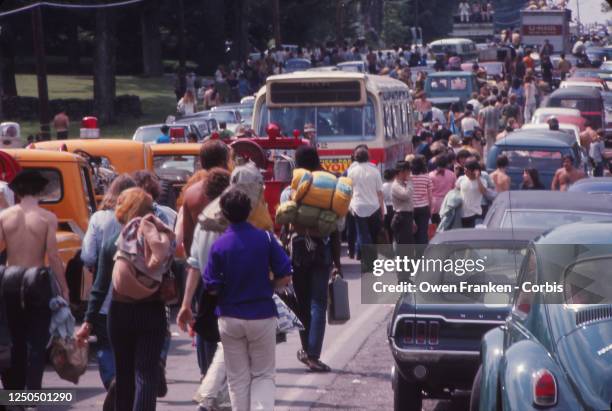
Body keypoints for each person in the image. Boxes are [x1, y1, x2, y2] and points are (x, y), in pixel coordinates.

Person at [203, 188, 291, 410]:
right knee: (263, 375)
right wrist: (269, 285)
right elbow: (286, 276)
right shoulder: (266, 238)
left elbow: (211, 288)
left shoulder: (219, 245)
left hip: (229, 317)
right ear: (250, 210)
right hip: (262, 314)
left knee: (237, 379)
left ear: (223, 213)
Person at [0, 170, 69, 393]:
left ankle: (14, 394)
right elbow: (54, 256)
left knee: (15, 338)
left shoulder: (5, 217)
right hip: (36, 281)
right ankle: (32, 393)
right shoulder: (47, 218)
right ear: (39, 191)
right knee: (37, 341)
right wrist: (64, 288)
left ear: (17, 192)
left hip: (10, 280)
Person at [104, 188, 171, 411]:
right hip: (152, 308)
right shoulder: (160, 234)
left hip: (121, 309)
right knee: (146, 373)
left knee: (124, 373)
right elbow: (173, 266)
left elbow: (103, 276)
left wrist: (89, 315)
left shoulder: (118, 235)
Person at [289, 146, 342, 373]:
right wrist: (337, 262)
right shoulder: (331, 186)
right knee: (318, 303)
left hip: (299, 249)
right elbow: (338, 227)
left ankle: (306, 349)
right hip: (323, 249)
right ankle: (313, 354)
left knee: (302, 303)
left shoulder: (292, 187)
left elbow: (285, 219)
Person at [348, 146, 384, 270]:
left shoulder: (351, 171)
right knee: (373, 235)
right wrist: (382, 210)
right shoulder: (375, 171)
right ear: (368, 156)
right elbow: (380, 192)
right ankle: (373, 259)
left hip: (358, 207)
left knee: (363, 235)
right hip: (374, 206)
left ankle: (368, 261)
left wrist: (350, 206)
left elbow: (349, 191)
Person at [455, 159, 487, 227]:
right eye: (464, 169)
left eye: (466, 170)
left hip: (475, 214)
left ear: (473, 171)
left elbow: (483, 192)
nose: (464, 171)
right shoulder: (461, 179)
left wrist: (477, 177)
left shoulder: (482, 181)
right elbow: (455, 191)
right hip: (462, 214)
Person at [410, 156, 433, 244]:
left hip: (411, 208)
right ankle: (422, 255)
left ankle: (413, 254)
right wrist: (430, 209)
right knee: (423, 232)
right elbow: (430, 195)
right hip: (423, 207)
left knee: (412, 232)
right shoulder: (426, 177)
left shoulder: (409, 178)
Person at [390, 161, 414, 244]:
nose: (409, 174)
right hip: (401, 217)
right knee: (403, 243)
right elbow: (406, 195)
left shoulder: (404, 184)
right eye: (407, 172)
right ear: (401, 172)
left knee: (408, 243)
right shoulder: (396, 185)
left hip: (408, 216)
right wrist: (410, 182)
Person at [429, 155, 456, 226]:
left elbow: (428, 192)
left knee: (435, 227)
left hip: (435, 206)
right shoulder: (452, 174)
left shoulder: (430, 175)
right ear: (447, 164)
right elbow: (455, 190)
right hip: (448, 204)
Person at [382, 168, 396, 243]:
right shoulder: (396, 185)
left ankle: (389, 243)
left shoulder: (383, 186)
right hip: (394, 208)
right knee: (395, 229)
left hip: (386, 209)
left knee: (387, 228)